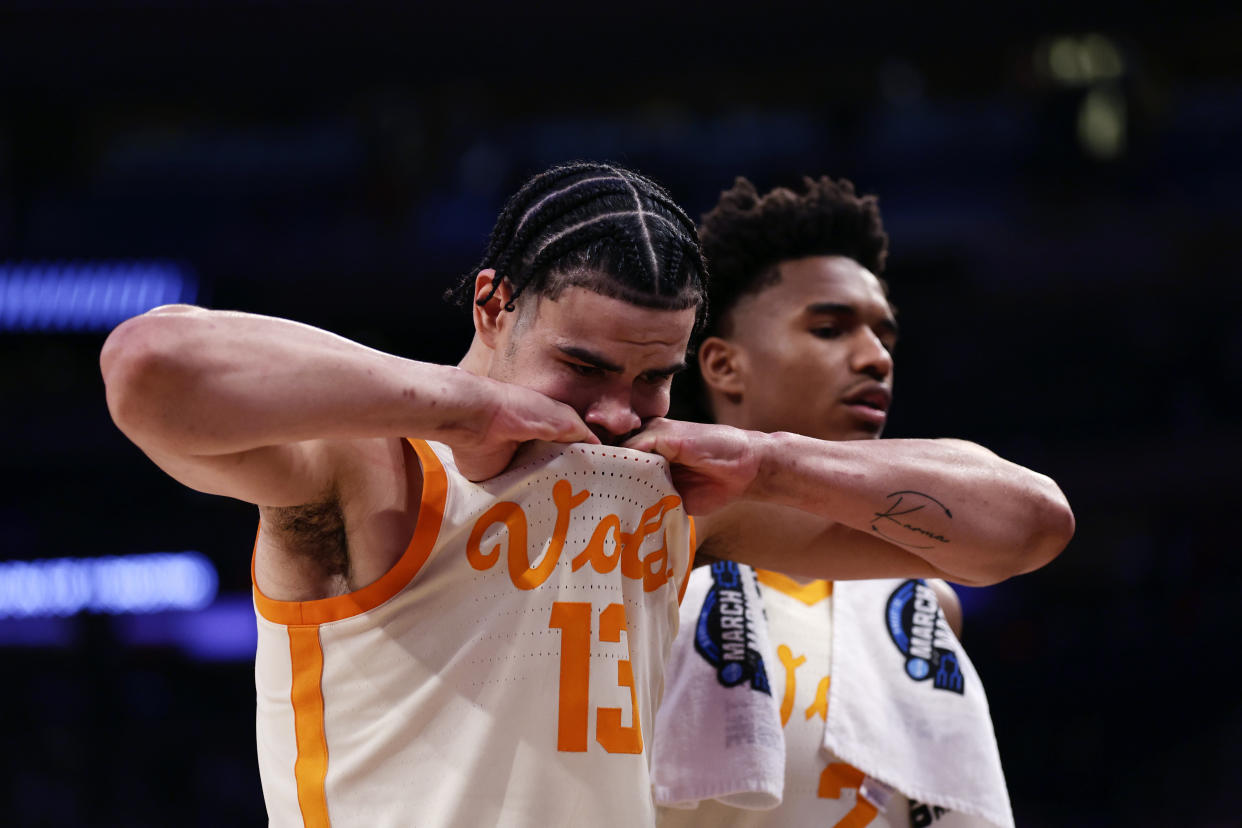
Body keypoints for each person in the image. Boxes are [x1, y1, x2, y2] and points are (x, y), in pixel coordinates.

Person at [100, 162, 1072, 827]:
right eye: (582, 366)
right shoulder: (372, 467)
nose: (614, 413)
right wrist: (459, 405)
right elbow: (150, 367)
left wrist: (775, 463)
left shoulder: (672, 494)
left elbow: (1024, 529)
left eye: (652, 377)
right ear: (493, 304)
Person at [650, 176, 1027, 827]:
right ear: (722, 366)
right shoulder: (650, 535)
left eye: (885, 336)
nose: (876, 357)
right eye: (830, 328)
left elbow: (1035, 522)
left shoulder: (918, 601)